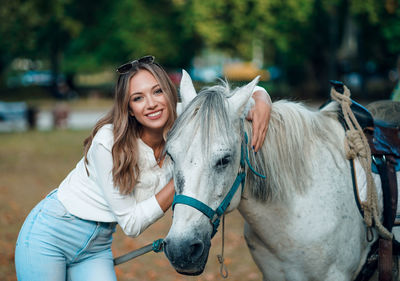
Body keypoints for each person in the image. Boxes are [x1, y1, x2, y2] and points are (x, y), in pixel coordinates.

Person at [14, 55, 272, 281]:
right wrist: (187, 177)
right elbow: (131, 223)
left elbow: (234, 103)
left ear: (170, 94)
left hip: (96, 248)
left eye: (158, 91)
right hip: (49, 236)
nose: (151, 104)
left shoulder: (186, 122)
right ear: (129, 108)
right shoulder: (108, 141)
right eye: (138, 98)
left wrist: (263, 99)